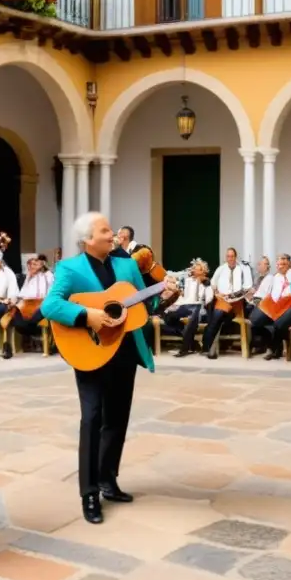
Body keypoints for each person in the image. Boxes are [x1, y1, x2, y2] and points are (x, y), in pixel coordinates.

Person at [42, 212, 177, 525]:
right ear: (88, 240)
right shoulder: (70, 268)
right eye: (105, 230)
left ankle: (108, 479)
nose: (112, 233)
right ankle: (89, 492)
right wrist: (87, 315)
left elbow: (146, 306)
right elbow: (50, 305)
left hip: (125, 350)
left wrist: (167, 295)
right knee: (92, 417)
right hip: (90, 350)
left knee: (117, 418)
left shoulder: (127, 265)